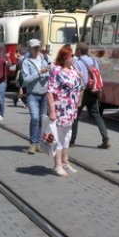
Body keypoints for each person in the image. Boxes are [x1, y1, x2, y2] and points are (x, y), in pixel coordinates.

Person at [46, 46, 82, 177]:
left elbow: (79, 86)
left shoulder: (72, 70)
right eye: (71, 56)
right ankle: (58, 165)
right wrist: (52, 110)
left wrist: (78, 103)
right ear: (64, 58)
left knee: (67, 137)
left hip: (71, 110)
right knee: (59, 138)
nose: (73, 58)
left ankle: (65, 162)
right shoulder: (56, 71)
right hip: (60, 109)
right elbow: (50, 91)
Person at [69, 42, 110, 149]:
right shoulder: (94, 61)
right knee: (96, 114)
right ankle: (105, 138)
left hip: (81, 92)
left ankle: (72, 141)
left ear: (78, 51)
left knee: (76, 116)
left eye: (76, 50)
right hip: (93, 90)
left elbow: (74, 77)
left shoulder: (76, 62)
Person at [21, 38, 51, 153]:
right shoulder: (26, 62)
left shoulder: (44, 59)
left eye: (38, 47)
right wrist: (39, 73)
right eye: (35, 47)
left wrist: (48, 71)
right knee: (34, 118)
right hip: (32, 94)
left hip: (44, 93)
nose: (37, 49)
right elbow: (25, 81)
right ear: (30, 48)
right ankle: (32, 143)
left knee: (41, 119)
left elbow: (49, 75)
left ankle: (38, 143)